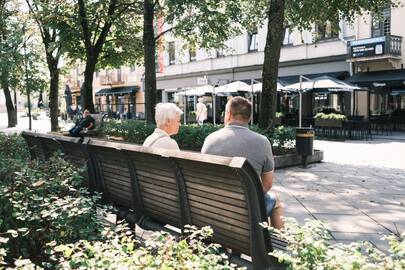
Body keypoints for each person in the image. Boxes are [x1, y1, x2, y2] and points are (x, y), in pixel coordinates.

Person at [201, 96, 284, 229]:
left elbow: (204, 176)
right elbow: (267, 185)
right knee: (276, 202)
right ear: (249, 118)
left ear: (228, 115)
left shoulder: (210, 139)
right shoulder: (262, 142)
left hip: (214, 204)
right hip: (246, 208)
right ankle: (280, 244)